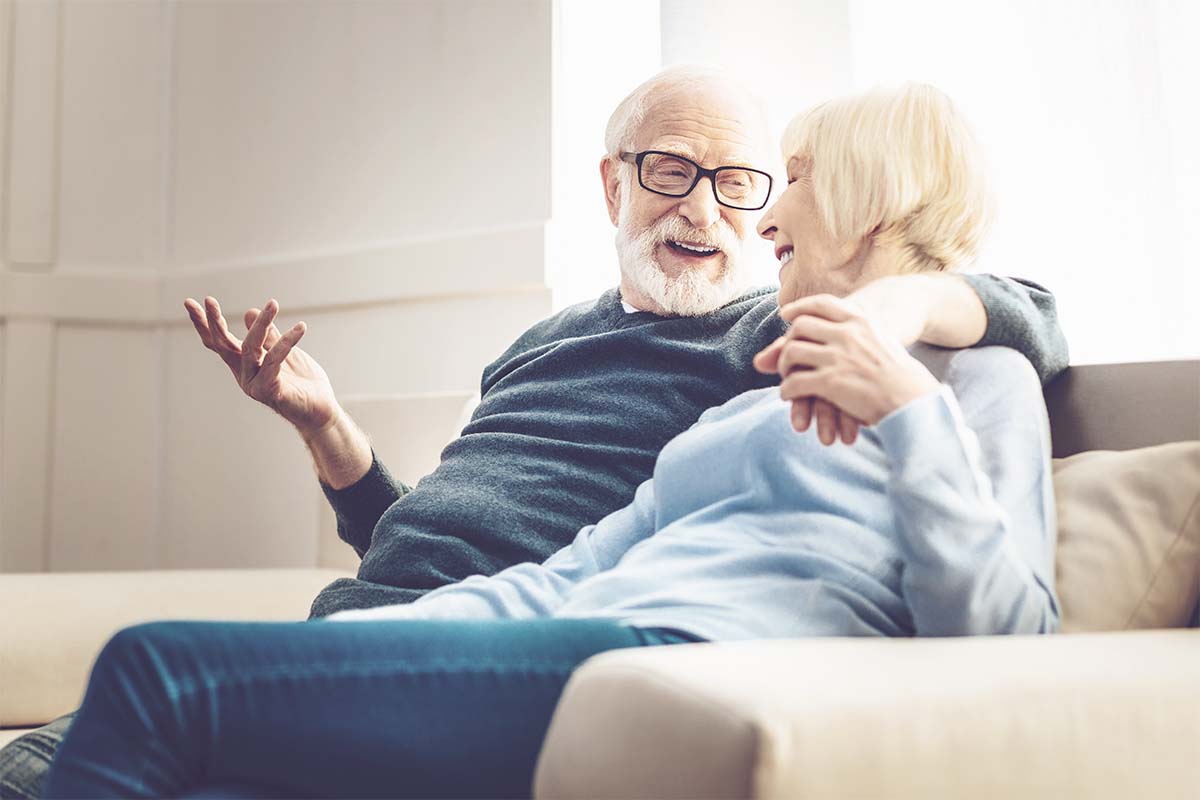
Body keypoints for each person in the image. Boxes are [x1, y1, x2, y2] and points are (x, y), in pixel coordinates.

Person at [0, 67, 1066, 799]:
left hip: (653, 662)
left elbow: (1008, 613)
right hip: (496, 627)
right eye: (674, 172)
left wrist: (904, 349)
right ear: (612, 182)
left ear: (875, 201)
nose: (744, 211)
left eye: (772, 180)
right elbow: (559, 568)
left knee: (150, 674)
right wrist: (337, 496)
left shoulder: (841, 351)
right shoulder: (684, 378)